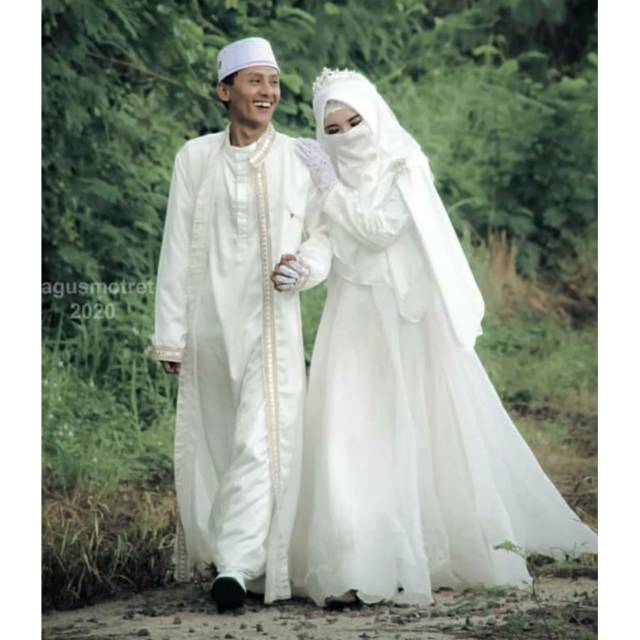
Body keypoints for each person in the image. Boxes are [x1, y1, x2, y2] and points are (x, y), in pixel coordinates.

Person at [289, 68, 597, 608]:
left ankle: (430, 548)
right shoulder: (326, 182)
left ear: (374, 115)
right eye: (332, 130)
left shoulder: (404, 166)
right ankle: (354, 560)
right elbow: (322, 239)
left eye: (355, 122)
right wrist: (300, 268)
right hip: (352, 319)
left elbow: (378, 229)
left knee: (415, 424)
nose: (345, 137)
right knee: (349, 428)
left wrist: (330, 186)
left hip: (407, 319)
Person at [151, 38, 331, 611]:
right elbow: (175, 248)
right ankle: (239, 556)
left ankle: (234, 565)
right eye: (256, 81)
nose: (268, 92)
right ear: (225, 90)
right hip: (208, 328)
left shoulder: (302, 157)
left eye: (274, 82)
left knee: (261, 441)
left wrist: (303, 269)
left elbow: (326, 235)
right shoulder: (194, 157)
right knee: (223, 445)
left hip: (270, 325)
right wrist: (170, 333)